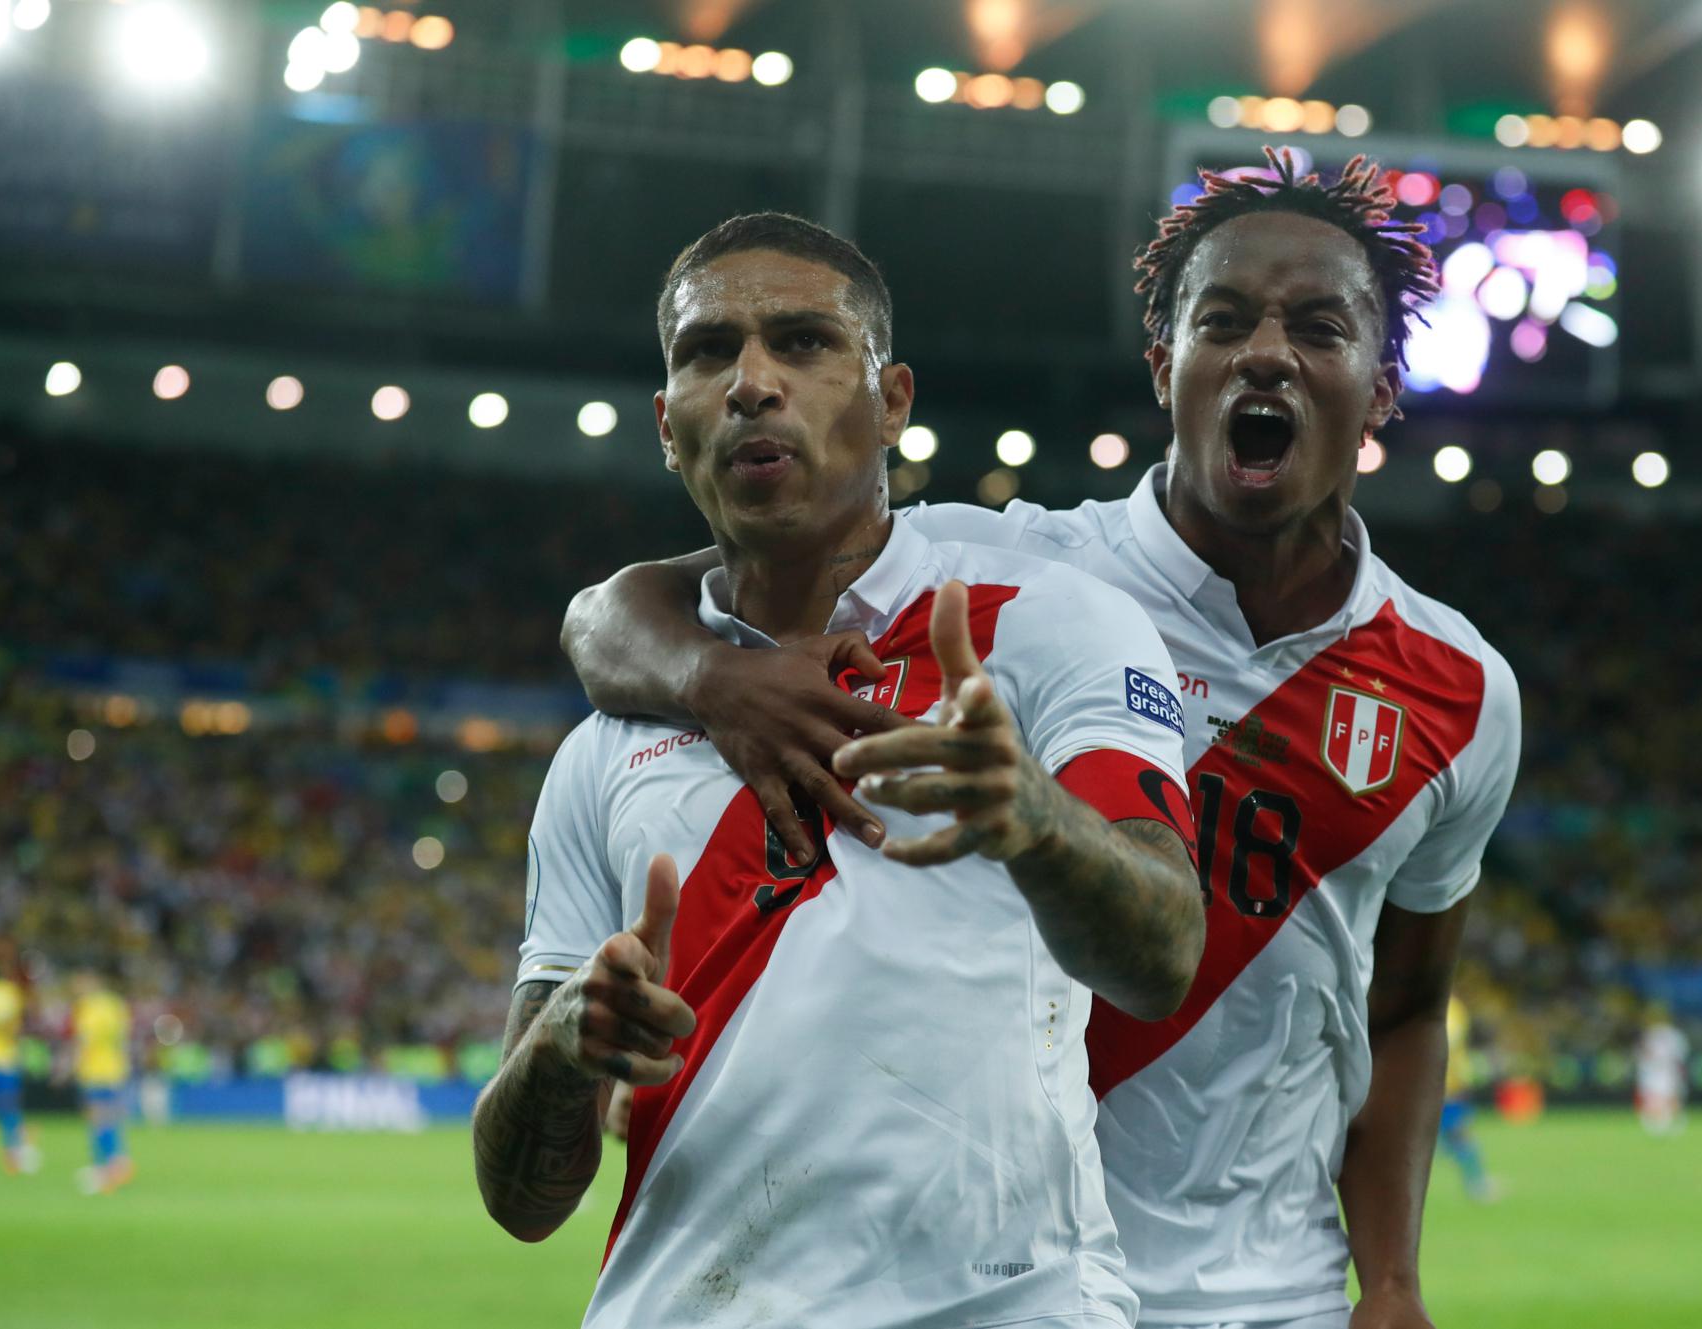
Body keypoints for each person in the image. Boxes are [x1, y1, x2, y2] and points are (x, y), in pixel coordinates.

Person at [562, 149, 1522, 1329]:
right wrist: (717, 678)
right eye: (1220, 322)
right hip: (1020, 1275)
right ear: (1166, 366)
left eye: (1321, 329)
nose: (1264, 353)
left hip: (1277, 1293)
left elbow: (1409, 1012)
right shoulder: (1015, 575)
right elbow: (613, 612)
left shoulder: (1460, 688)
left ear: (1380, 387)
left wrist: (1393, 1282)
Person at [473, 213, 1205, 1329]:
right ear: (667, 426)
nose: (752, 382)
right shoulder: (604, 748)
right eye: (709, 352)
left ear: (893, 401)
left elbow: (1163, 958)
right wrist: (568, 1050)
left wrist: (1037, 822)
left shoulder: (1045, 627)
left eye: (805, 343)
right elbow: (521, 1201)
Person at [68, 969, 134, 1194]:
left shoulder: (87, 1007)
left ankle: (102, 1168)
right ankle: (118, 1162)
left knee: (97, 1120)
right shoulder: (116, 1005)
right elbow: (123, 1037)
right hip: (116, 1069)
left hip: (95, 1071)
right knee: (111, 1119)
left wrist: (72, 1066)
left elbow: (84, 1041)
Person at [0, 940, 41, 1176]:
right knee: (8, 1111)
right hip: (2, 1062)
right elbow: (6, 1025)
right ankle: (13, 1157)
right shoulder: (11, 994)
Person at [1436, 994, 1493, 1202]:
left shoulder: (1452, 1006)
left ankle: (1476, 1183)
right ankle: (1477, 1183)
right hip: (1437, 1087)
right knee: (1455, 1137)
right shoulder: (1450, 1005)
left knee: (1457, 1135)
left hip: (1450, 1086)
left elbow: (1448, 1040)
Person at [1634, 1009, 1689, 1137]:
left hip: (1667, 1070)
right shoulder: (1648, 1034)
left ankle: (1675, 1121)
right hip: (1651, 1070)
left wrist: (1679, 1071)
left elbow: (1679, 1056)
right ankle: (1656, 1124)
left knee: (1669, 1097)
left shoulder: (1673, 1035)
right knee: (1652, 1098)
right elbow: (1641, 1053)